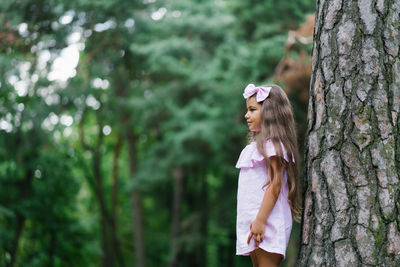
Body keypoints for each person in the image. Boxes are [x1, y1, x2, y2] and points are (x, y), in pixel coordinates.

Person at [235, 84, 300, 267]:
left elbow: (276, 184)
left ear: (270, 113)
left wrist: (261, 220)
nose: (246, 115)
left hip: (267, 221)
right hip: (255, 222)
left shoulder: (274, 145)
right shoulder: (255, 148)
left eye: (252, 110)